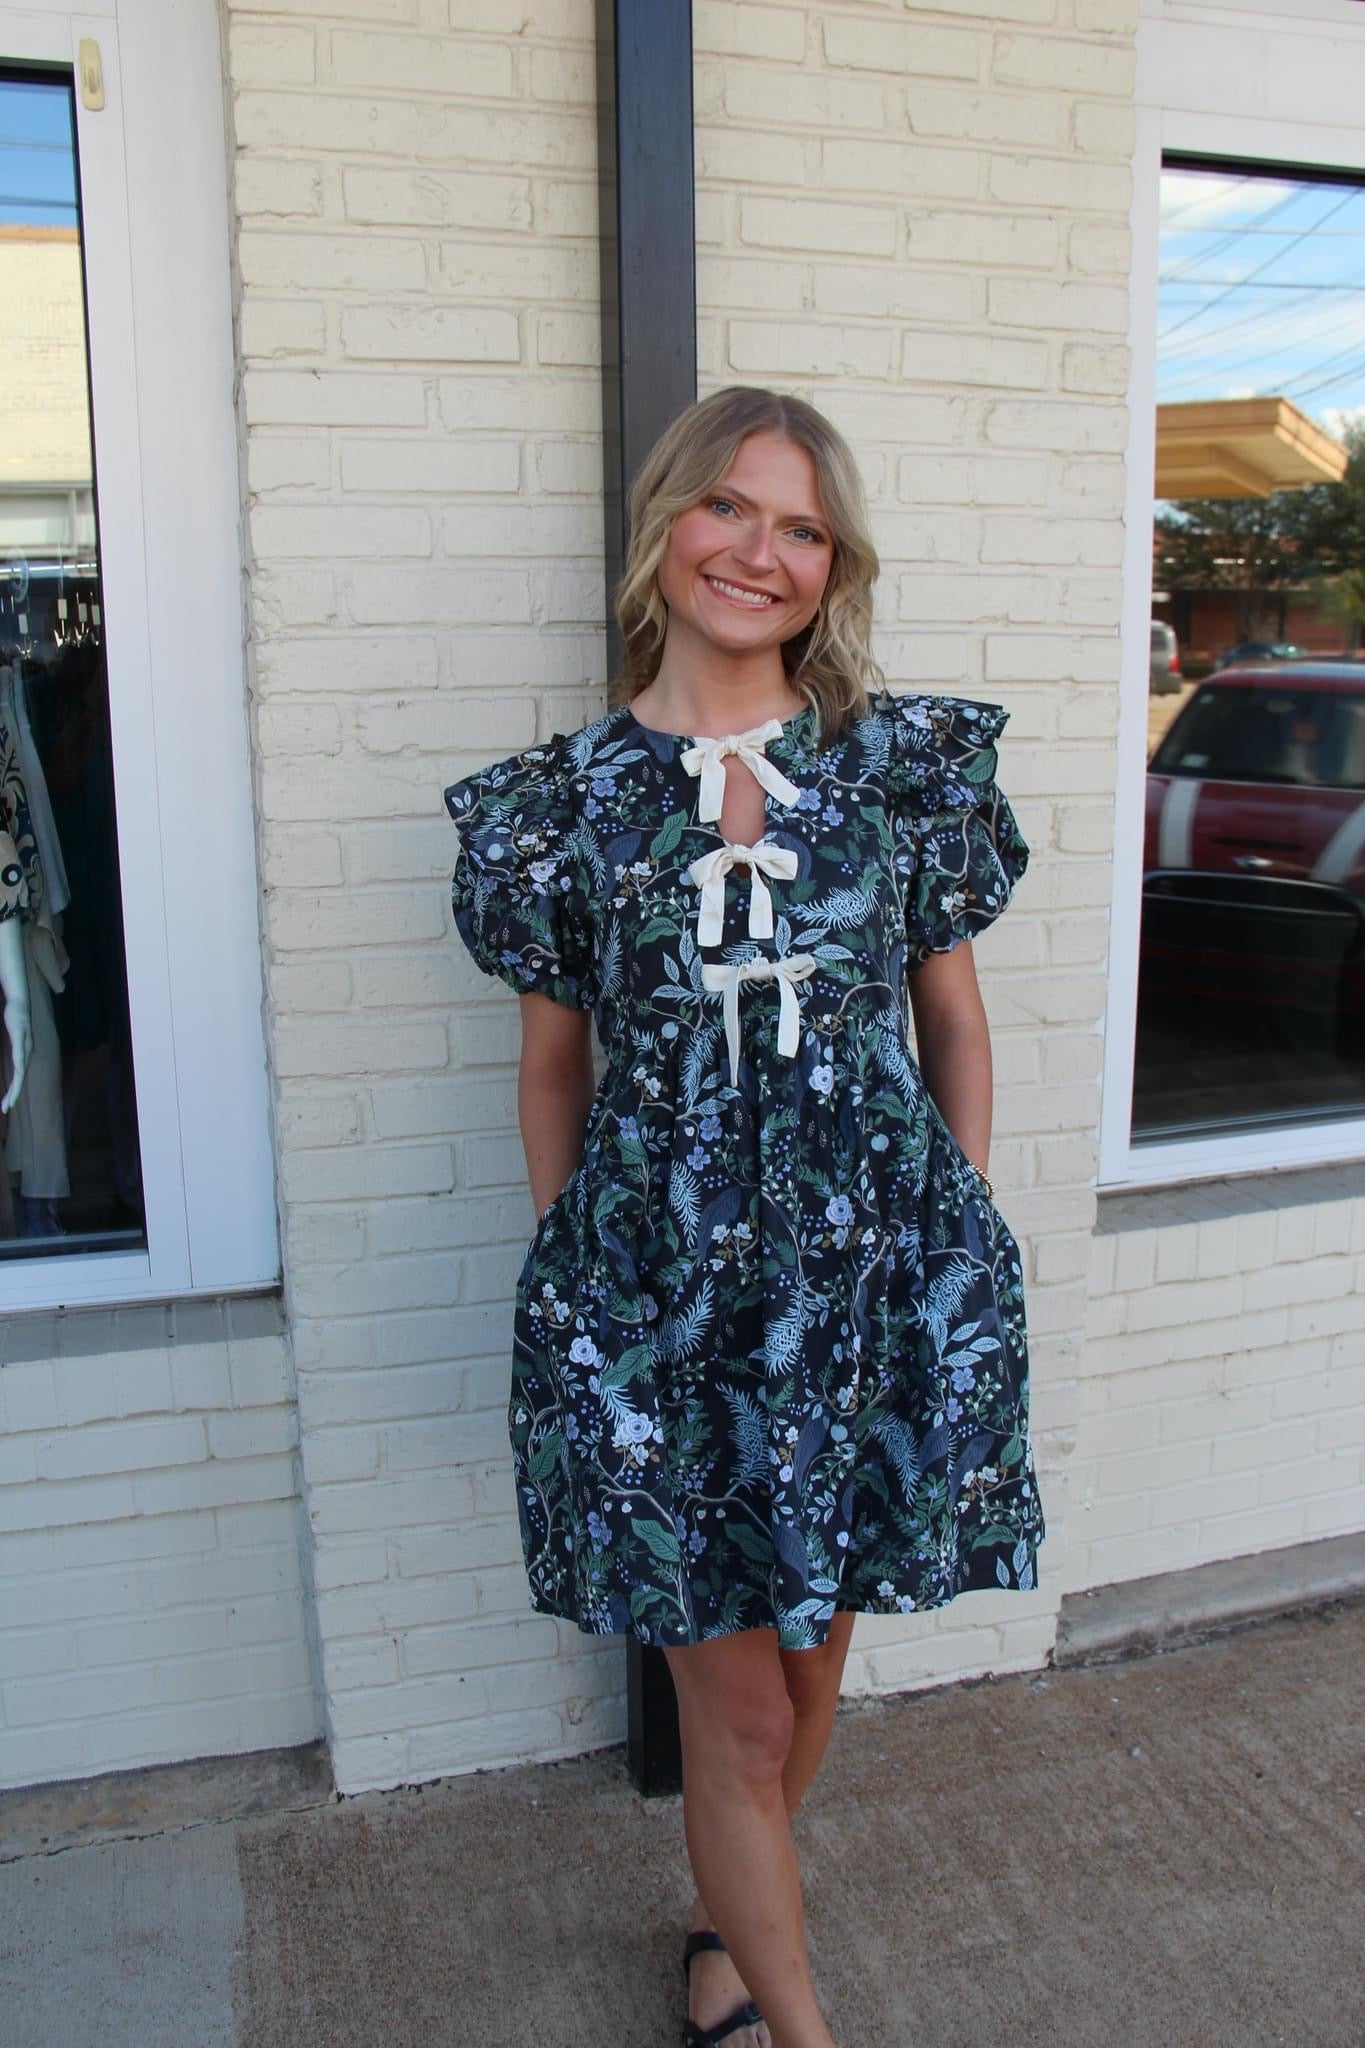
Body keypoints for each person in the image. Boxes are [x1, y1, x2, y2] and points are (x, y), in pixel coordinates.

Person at [444, 385, 1045, 2048]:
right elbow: (552, 1069)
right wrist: (583, 1285)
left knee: (800, 1684)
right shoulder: (556, 807)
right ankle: (799, 2028)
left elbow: (957, 1028)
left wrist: (953, 1236)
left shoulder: (898, 774)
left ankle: (727, 1937)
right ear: (666, 530)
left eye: (797, 525)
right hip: (658, 1320)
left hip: (873, 1293)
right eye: (727, 509)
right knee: (737, 1722)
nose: (756, 551)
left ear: (830, 563)